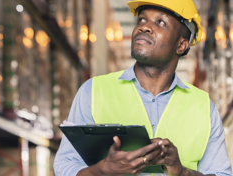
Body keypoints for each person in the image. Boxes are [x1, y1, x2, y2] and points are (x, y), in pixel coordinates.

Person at [53, 0, 232, 175]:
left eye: (160, 22)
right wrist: (102, 171)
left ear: (181, 45)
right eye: (142, 19)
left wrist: (182, 172)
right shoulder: (93, 91)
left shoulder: (203, 107)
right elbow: (64, 165)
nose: (144, 27)